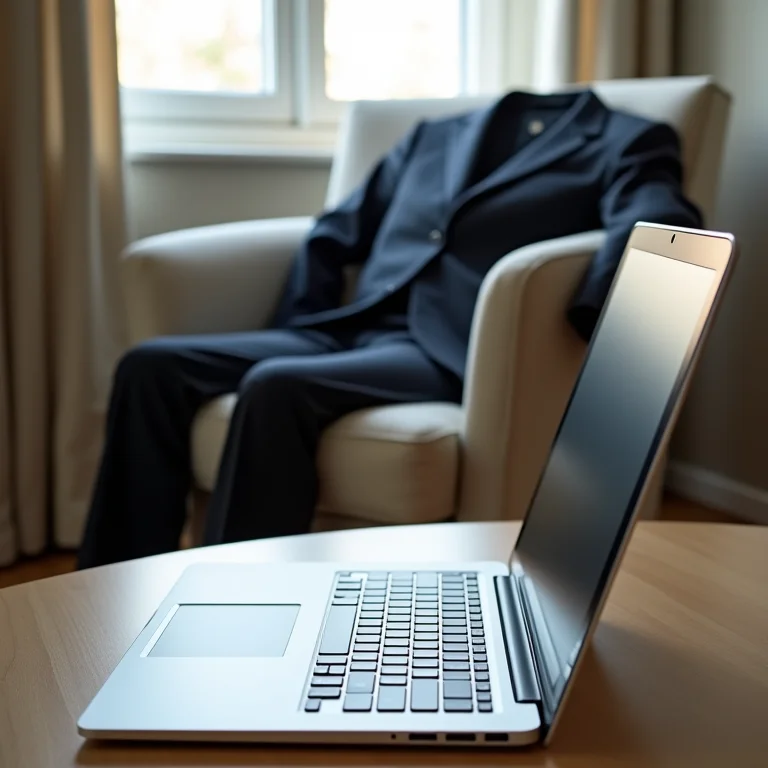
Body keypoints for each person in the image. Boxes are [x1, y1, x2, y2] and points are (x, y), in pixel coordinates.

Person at [77, 89, 702, 568]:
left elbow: (653, 217)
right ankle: (114, 583)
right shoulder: (435, 135)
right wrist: (302, 320)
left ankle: (234, 602)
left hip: (448, 348)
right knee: (149, 367)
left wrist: (597, 316)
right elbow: (337, 229)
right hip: (349, 325)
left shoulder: (627, 138)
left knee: (277, 384)